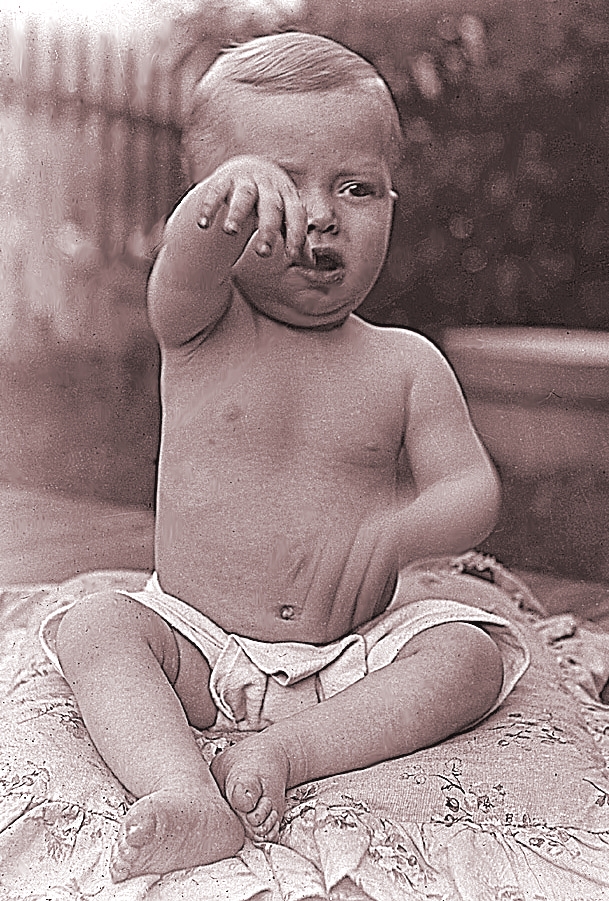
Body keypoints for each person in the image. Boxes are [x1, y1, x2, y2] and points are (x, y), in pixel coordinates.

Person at [41, 31, 529, 883]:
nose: (322, 211)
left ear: (390, 204)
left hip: (350, 655)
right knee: (97, 625)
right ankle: (182, 791)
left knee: (470, 655)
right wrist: (222, 203)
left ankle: (290, 752)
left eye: (354, 186)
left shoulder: (405, 362)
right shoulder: (199, 326)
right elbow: (183, 264)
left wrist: (403, 528)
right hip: (194, 645)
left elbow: (470, 486)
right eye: (280, 184)